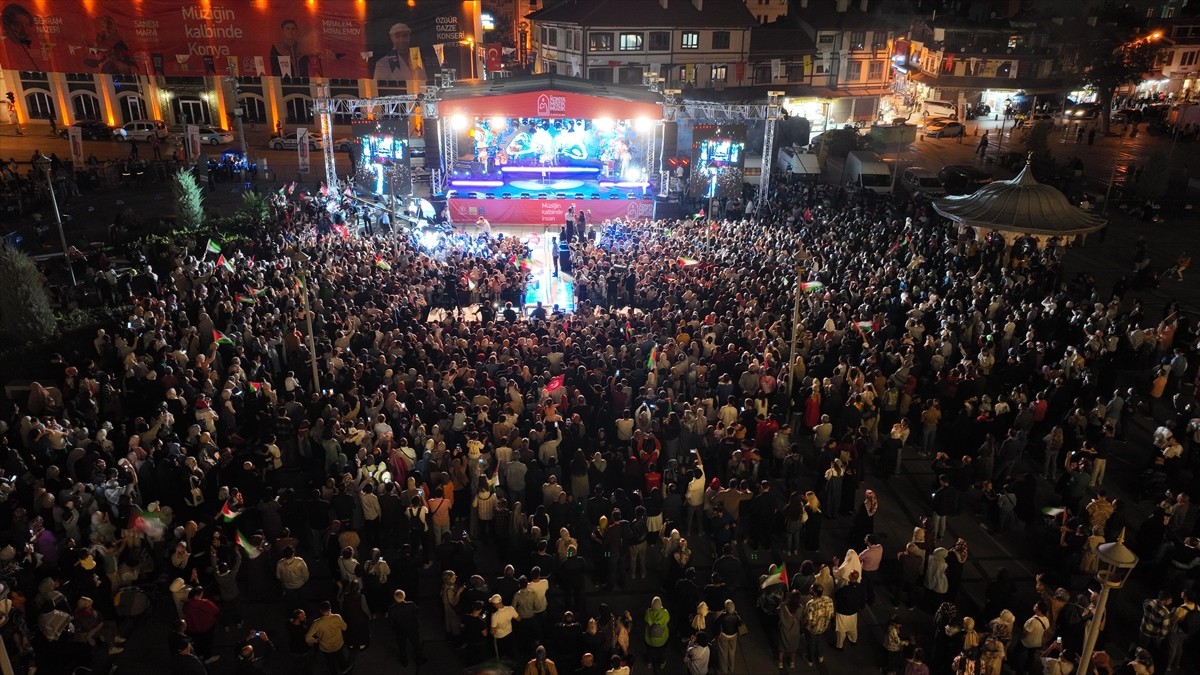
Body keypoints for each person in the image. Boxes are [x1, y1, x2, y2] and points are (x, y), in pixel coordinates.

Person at [305, 600, 349, 675]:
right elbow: (344, 628)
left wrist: (316, 640)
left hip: (326, 648)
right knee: (340, 657)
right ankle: (344, 669)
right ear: (330, 609)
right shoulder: (337, 617)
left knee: (330, 661)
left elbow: (307, 638)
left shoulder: (317, 623)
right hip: (338, 644)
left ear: (320, 610)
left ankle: (334, 672)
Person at [643, 596, 670, 673]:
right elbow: (668, 620)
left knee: (650, 651)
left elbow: (646, 619)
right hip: (662, 639)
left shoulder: (648, 612)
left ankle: (649, 662)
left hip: (650, 639)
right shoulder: (665, 613)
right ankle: (662, 663)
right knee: (662, 651)